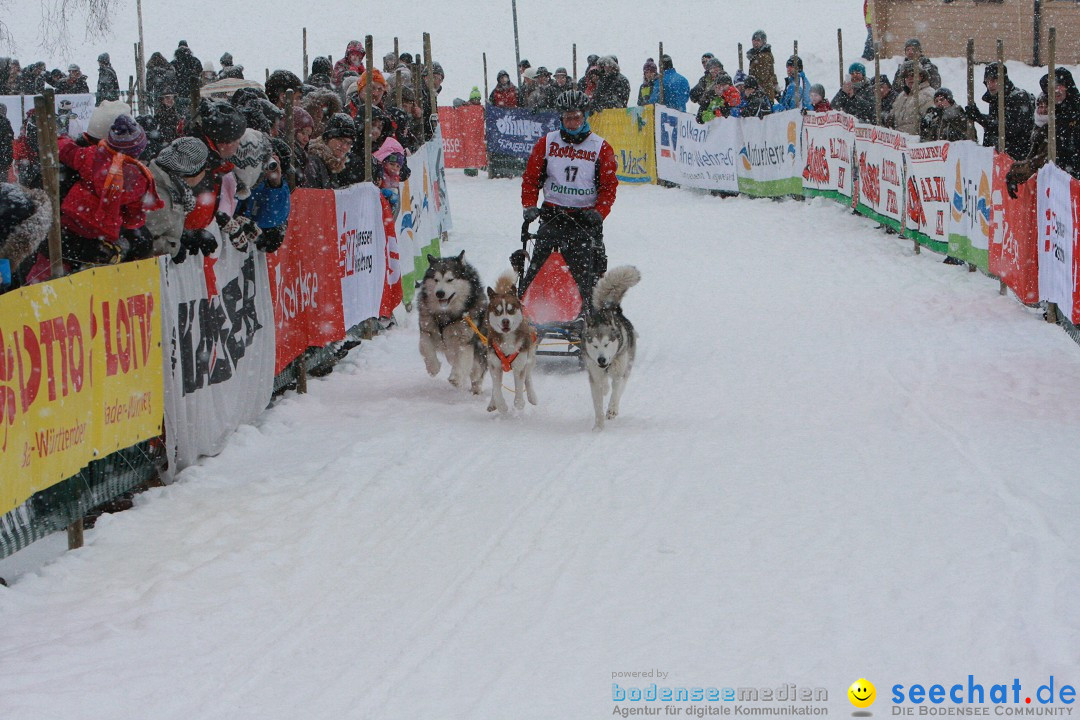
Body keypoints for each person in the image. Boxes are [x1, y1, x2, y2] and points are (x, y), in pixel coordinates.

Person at [519, 90, 618, 312]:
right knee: (536, 271)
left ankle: (587, 316)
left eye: (576, 117)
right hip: (552, 215)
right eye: (567, 118)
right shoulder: (547, 142)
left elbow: (608, 187)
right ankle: (528, 312)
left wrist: (599, 212)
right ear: (560, 118)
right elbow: (531, 178)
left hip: (583, 220)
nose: (572, 123)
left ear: (585, 117)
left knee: (583, 274)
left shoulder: (600, 147)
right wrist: (529, 205)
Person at [56, 115, 163, 268]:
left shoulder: (92, 155)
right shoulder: (138, 179)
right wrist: (133, 225)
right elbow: (133, 216)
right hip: (105, 228)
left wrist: (61, 140)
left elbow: (67, 152)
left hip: (73, 215)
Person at [144, 137, 218, 263]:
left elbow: (162, 228)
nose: (207, 171)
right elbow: (143, 241)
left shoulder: (172, 189)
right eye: (205, 167)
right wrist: (173, 248)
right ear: (191, 171)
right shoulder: (161, 197)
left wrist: (185, 235)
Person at [1006, 68, 1080, 193]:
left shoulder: (1073, 114)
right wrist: (1017, 173)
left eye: (1060, 86)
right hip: (1060, 185)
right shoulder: (1051, 120)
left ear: (1068, 86)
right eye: (1052, 87)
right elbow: (1038, 156)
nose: (1056, 90)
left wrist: (1018, 172)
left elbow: (1046, 157)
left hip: (1072, 183)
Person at [965, 63, 1034, 161]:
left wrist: (980, 118)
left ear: (1003, 80)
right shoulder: (995, 98)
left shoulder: (1018, 99)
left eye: (993, 80)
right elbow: (995, 123)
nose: (990, 85)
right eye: (987, 82)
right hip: (998, 157)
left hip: (1016, 158)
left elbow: (1010, 128)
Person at [305, 113, 356, 189]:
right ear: (327, 138)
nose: (344, 147)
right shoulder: (312, 163)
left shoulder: (336, 165)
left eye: (348, 143)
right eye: (340, 140)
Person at [885, 62, 934, 135]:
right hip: (898, 140)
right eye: (906, 76)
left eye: (913, 74)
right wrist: (889, 118)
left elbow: (931, 120)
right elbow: (893, 113)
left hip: (915, 142)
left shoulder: (927, 94)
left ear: (921, 76)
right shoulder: (901, 95)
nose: (910, 78)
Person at [747, 30, 778, 102]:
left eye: (758, 40)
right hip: (763, 92)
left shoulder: (762, 56)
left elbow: (763, 77)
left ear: (763, 42)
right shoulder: (757, 55)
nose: (755, 42)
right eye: (754, 40)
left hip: (763, 93)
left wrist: (751, 86)